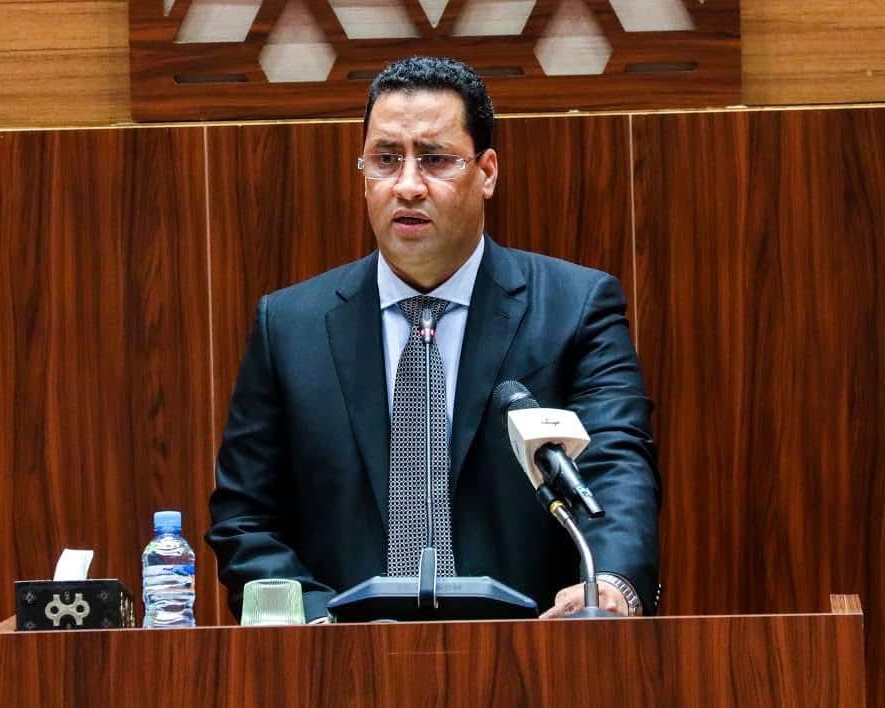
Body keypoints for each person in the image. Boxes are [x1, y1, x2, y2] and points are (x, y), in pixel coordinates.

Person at [206, 56, 660, 623]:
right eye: (386, 160)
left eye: (436, 159)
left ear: (486, 172)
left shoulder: (574, 308)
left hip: (530, 652)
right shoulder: (290, 326)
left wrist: (610, 582)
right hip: (342, 656)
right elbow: (245, 518)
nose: (407, 185)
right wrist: (322, 626)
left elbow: (615, 467)